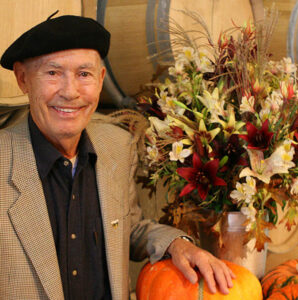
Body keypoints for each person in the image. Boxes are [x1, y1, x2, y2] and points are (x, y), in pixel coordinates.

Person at [0, 14, 234, 300]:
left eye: (84, 74)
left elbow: (127, 226)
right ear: (23, 79)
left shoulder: (117, 146)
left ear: (100, 80)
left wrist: (177, 244)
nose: (70, 92)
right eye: (52, 73)